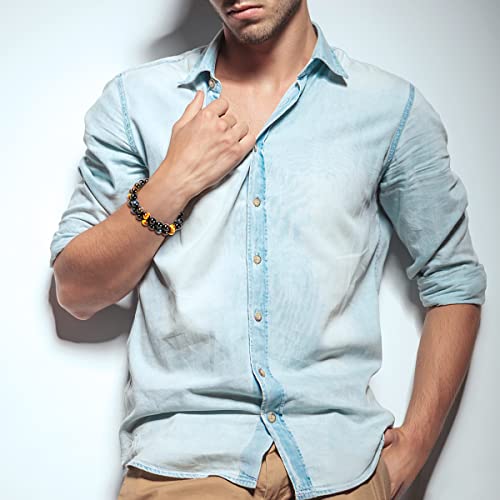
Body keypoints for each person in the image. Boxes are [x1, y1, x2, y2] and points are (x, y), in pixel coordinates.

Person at [49, 1, 487, 499]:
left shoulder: (389, 109)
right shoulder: (138, 101)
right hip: (185, 467)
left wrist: (416, 445)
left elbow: (453, 280)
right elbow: (77, 291)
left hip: (342, 466)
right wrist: (173, 181)